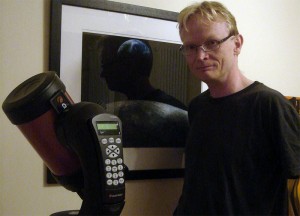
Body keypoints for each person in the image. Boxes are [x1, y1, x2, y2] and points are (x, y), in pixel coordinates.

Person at [174, 1, 300, 215]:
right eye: (191, 47)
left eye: (212, 42)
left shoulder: (269, 105)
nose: (201, 56)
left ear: (237, 44)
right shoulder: (197, 107)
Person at [100, 37, 187, 110]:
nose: (102, 74)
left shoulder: (170, 111)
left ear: (129, 65)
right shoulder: (130, 109)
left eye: (107, 66)